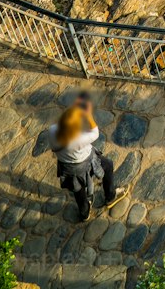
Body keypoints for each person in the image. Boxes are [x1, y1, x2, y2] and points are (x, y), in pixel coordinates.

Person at [48, 93, 116, 221]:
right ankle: (110, 196)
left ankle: (84, 213)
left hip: (67, 167)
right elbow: (95, 132)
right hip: (85, 162)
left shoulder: (52, 131)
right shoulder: (79, 138)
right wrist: (88, 114)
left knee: (78, 190)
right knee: (108, 165)